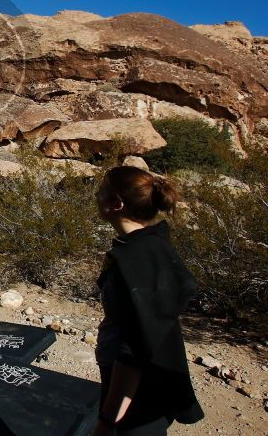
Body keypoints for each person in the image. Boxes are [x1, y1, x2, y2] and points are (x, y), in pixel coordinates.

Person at [93, 166, 204, 435]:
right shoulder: (151, 244)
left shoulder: (132, 264)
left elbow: (132, 357)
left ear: (116, 204)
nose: (96, 196)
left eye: (102, 191)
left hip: (139, 391)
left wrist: (108, 422)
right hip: (157, 378)